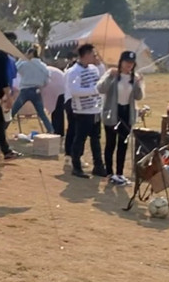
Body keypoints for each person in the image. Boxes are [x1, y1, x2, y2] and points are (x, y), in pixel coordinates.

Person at [98, 49, 145, 185]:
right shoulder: (112, 74)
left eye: (131, 63)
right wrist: (109, 76)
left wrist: (139, 83)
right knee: (110, 143)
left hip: (126, 113)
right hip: (113, 112)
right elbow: (100, 88)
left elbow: (138, 97)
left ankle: (120, 173)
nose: (129, 65)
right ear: (121, 62)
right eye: (126, 62)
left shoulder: (133, 78)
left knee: (123, 144)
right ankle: (109, 173)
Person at [64, 43, 107, 178]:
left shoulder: (94, 69)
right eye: (93, 55)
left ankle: (98, 166)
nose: (95, 57)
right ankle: (76, 167)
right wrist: (94, 90)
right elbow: (74, 91)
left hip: (95, 109)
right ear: (86, 55)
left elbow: (102, 78)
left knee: (96, 139)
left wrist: (100, 65)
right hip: (82, 111)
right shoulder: (74, 71)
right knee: (80, 139)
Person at [11, 47, 55, 133]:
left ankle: (1, 130)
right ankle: (50, 130)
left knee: (13, 111)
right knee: (41, 113)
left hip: (25, 90)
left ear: (30, 54)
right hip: (37, 90)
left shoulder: (24, 64)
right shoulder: (43, 66)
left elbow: (15, 69)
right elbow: (47, 79)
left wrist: (21, 59)